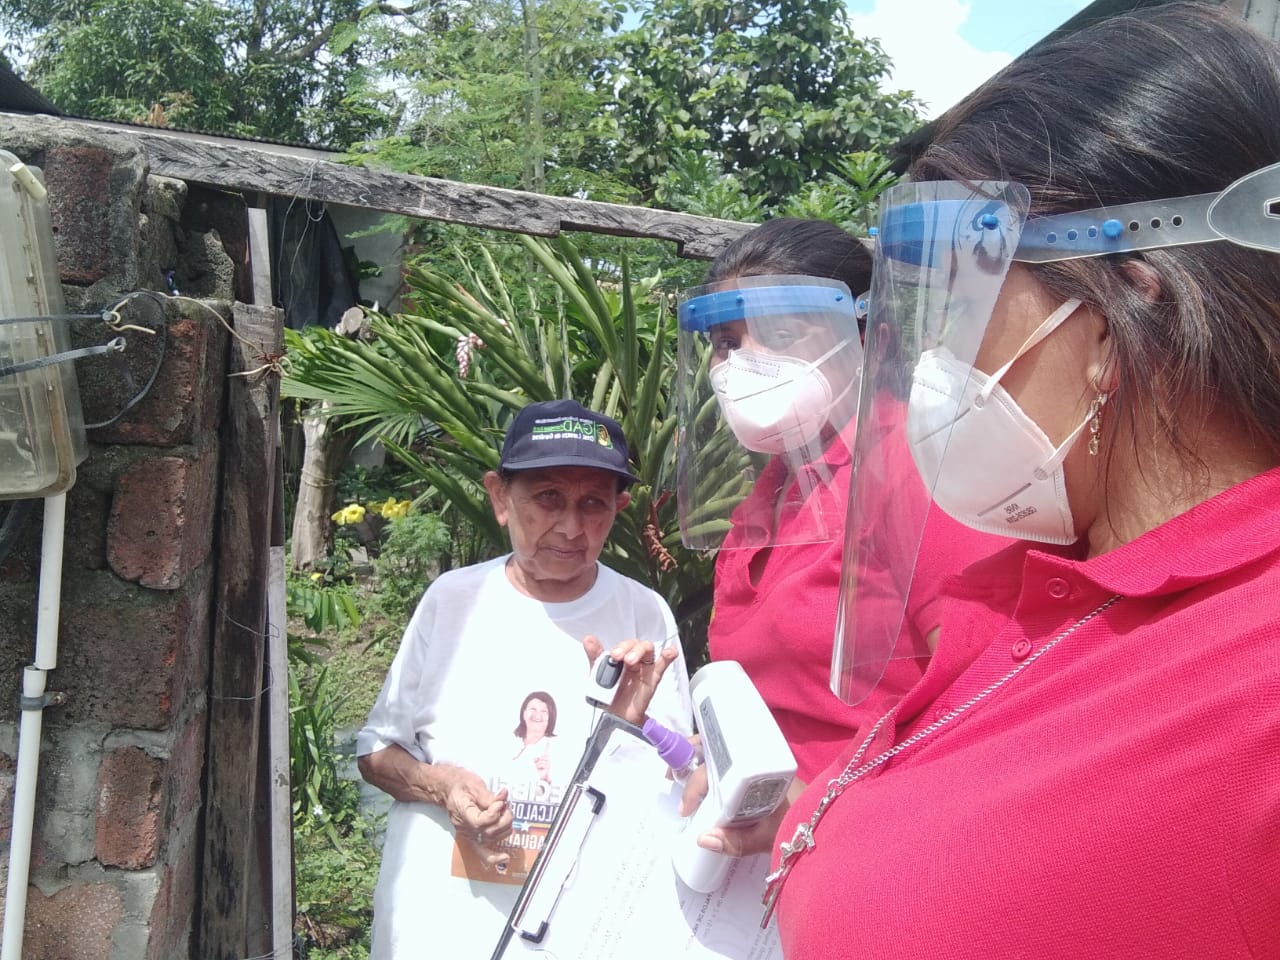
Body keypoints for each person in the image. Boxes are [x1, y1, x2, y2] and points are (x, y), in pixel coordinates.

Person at [711, 6, 1280, 958]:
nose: (937, 355)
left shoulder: (1253, 689)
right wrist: (811, 812)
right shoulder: (1048, 583)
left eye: (965, 295)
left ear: (1123, 299)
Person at [356, 398, 694, 959]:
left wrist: (631, 732)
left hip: (580, 931)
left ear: (618, 508)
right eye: (548, 498)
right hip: (441, 927)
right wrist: (444, 786)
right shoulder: (454, 601)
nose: (571, 527)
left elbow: (682, 779)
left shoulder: (643, 615)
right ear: (500, 498)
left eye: (593, 503)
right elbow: (375, 753)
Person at [675, 218, 1007, 782]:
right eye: (727, 343)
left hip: (880, 821)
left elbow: (994, 700)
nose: (743, 364)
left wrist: (813, 801)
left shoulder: (913, 467)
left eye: (781, 334)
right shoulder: (776, 489)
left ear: (872, 339)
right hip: (772, 826)